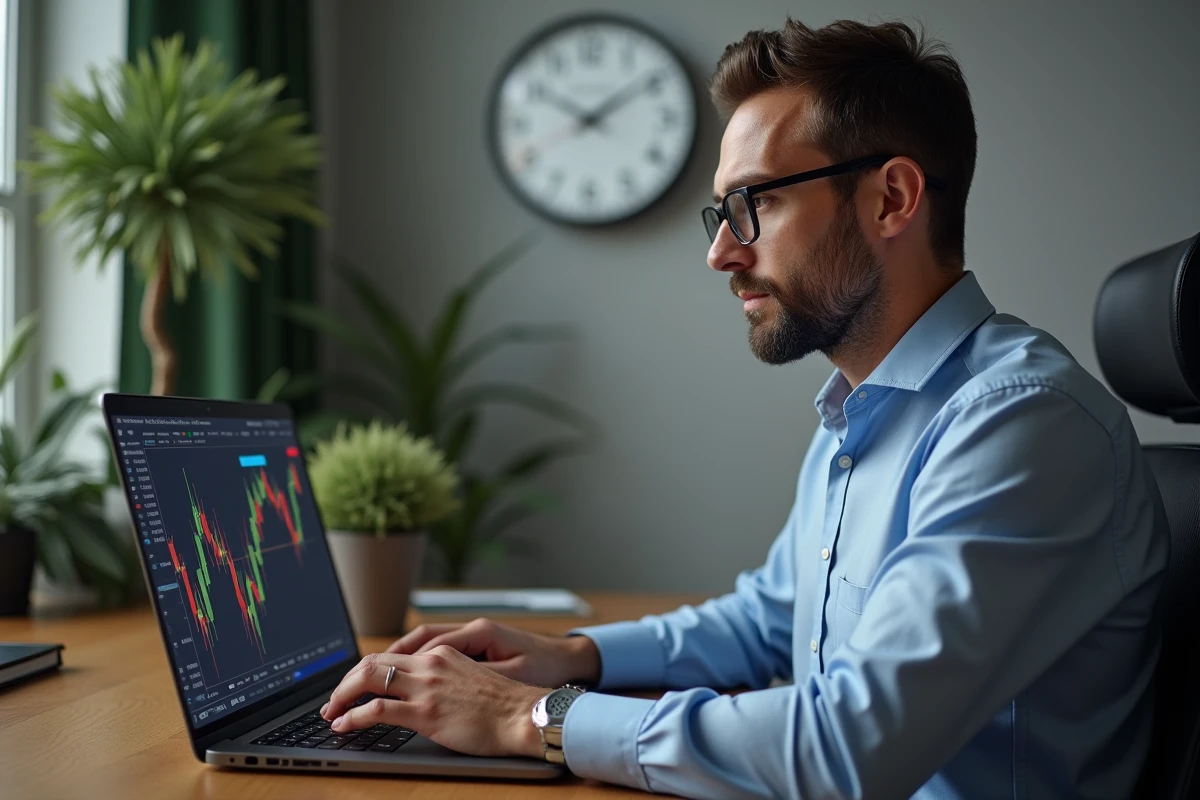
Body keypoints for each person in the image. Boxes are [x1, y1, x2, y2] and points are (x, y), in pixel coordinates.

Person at [320, 17, 1168, 799]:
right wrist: (570, 657)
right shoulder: (860, 410)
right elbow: (770, 620)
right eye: (722, 212)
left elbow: (849, 745)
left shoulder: (1020, 424)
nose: (722, 252)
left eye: (755, 203)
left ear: (891, 199)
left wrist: (527, 717)